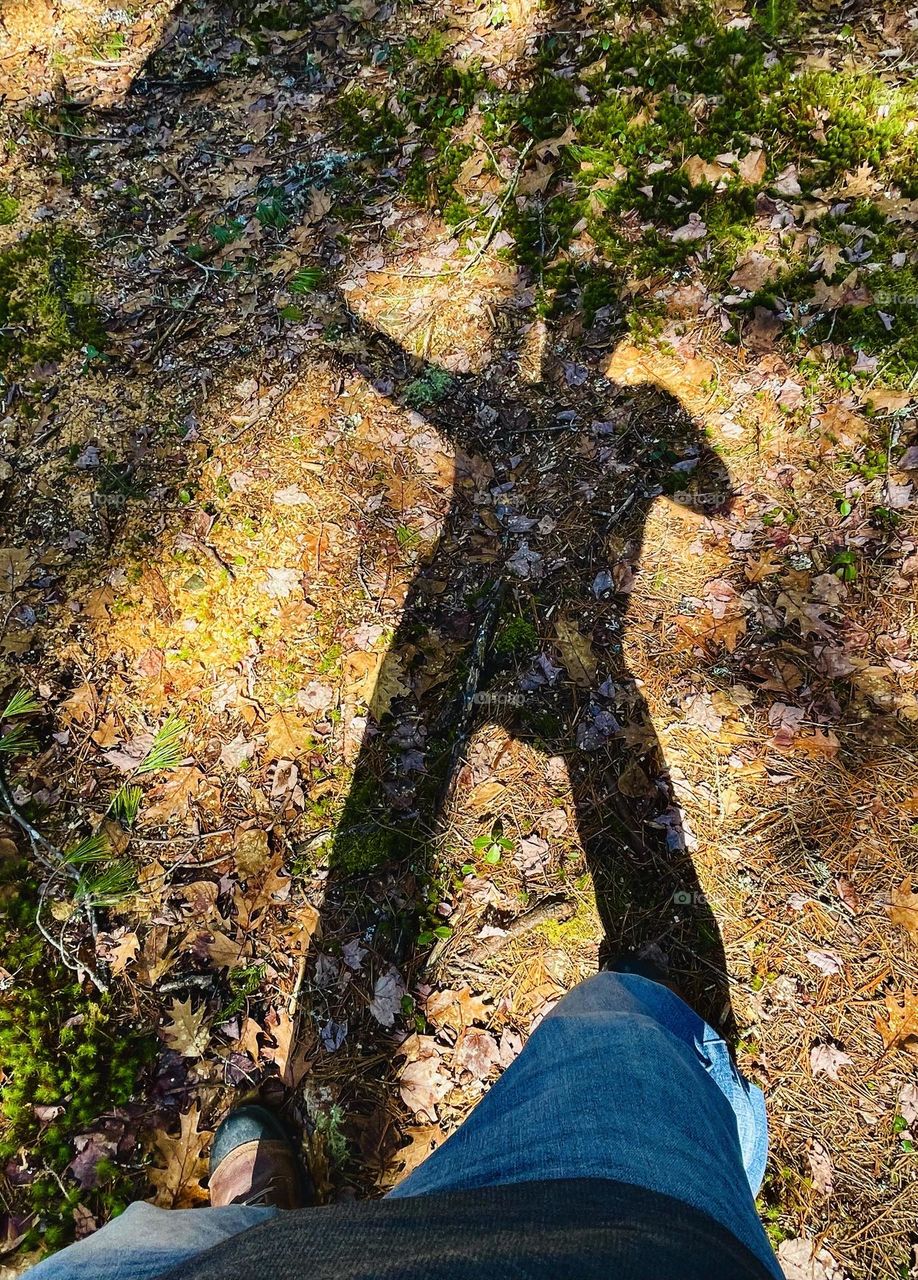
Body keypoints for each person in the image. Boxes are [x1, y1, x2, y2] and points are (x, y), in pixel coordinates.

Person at [26, 961, 782, 1279]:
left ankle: (265, 1229)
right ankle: (727, 1177)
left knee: (147, 1245)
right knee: (621, 1019)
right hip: (616, 1234)